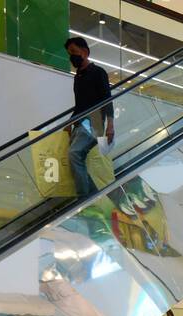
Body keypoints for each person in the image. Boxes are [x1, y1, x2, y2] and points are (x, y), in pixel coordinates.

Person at [64, 37, 114, 198]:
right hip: (80, 122)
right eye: (69, 54)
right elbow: (80, 105)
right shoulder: (77, 77)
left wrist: (110, 125)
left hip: (95, 121)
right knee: (75, 158)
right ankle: (94, 197)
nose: (72, 56)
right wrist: (69, 122)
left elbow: (107, 99)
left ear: (85, 52)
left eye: (74, 52)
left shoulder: (98, 72)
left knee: (74, 154)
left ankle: (83, 199)